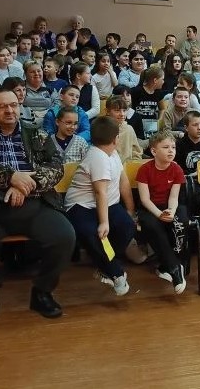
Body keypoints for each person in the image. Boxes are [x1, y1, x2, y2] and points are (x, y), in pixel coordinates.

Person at [0, 88, 76, 330]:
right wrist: (11, 177)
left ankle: (42, 292)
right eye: (1, 106)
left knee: (64, 237)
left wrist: (24, 185)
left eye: (13, 105)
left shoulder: (37, 134)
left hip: (35, 206)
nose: (9, 110)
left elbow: (55, 168)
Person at [65, 117, 137, 295]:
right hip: (81, 205)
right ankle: (116, 273)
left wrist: (130, 210)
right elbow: (100, 192)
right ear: (116, 138)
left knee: (127, 226)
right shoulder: (97, 157)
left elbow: (123, 182)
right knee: (91, 233)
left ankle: (105, 265)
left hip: (108, 203)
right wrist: (104, 223)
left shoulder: (113, 153)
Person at [136, 131, 189, 294]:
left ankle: (170, 265)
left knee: (181, 221)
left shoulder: (177, 169)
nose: (171, 150)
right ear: (153, 151)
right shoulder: (144, 169)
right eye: (166, 147)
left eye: (173, 147)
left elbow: (174, 197)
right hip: (150, 207)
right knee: (152, 225)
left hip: (170, 205)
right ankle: (174, 267)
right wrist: (159, 214)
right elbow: (145, 199)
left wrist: (170, 211)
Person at [104, 94, 143, 162]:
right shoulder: (102, 129)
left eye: (124, 110)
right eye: (117, 110)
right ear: (107, 111)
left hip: (127, 165)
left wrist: (133, 163)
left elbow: (136, 152)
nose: (122, 114)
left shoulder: (129, 129)